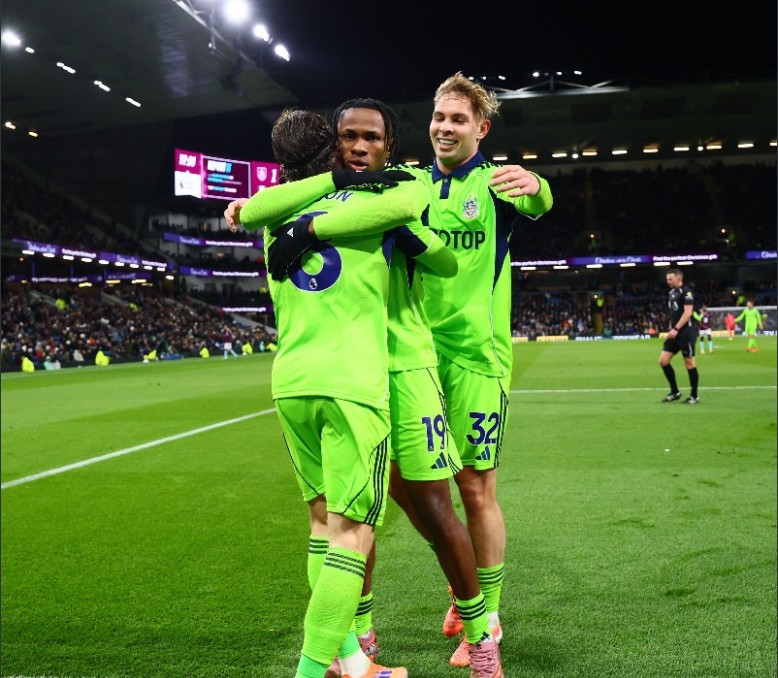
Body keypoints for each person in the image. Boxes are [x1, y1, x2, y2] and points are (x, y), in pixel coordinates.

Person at [232, 97, 505, 678]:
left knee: (432, 510)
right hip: (351, 371)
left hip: (403, 365)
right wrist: (265, 210)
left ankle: (481, 632)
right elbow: (260, 209)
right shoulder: (329, 190)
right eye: (347, 137)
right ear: (333, 144)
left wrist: (308, 227)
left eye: (371, 138)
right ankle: (355, 645)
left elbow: (438, 254)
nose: (359, 147)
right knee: (348, 521)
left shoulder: (401, 184)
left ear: (390, 145)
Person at [228, 107, 428, 678]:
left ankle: (349, 661)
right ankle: (312, 672)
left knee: (320, 524)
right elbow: (409, 204)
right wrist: (343, 188)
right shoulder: (374, 203)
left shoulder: (279, 211)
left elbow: (252, 208)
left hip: (291, 381)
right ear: (335, 150)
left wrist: (308, 224)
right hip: (352, 385)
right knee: (354, 532)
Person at [392, 71, 553, 667]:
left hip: (476, 359)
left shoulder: (495, 184)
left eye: (458, 119)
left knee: (475, 487)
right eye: (439, 117)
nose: (445, 127)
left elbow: (541, 198)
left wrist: (535, 182)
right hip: (415, 358)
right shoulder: (408, 184)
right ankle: (466, 586)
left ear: (481, 129)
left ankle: (486, 612)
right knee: (411, 486)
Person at [659, 267, 700, 404]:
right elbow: (674, 313)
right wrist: (672, 326)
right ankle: (675, 391)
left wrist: (676, 328)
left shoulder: (687, 292)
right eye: (667, 279)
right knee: (663, 361)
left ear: (679, 279)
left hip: (686, 332)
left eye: (670, 279)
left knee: (689, 363)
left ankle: (694, 396)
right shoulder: (671, 293)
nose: (668, 282)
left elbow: (688, 313)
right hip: (675, 332)